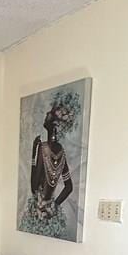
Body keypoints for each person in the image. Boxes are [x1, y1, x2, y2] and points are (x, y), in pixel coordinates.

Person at [19, 92, 78, 239]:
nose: (46, 114)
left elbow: (34, 186)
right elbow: (69, 187)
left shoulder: (42, 147)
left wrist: (34, 152)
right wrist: (53, 206)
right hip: (51, 216)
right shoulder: (61, 151)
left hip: (37, 213)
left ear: (55, 124)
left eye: (50, 113)